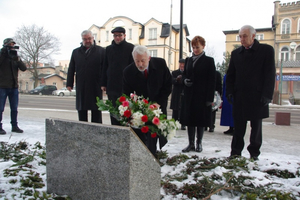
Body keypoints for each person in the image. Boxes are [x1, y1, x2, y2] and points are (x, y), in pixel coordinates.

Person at [226, 25, 275, 160]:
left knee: (256, 128)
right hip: (240, 97)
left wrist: (267, 95)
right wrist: (229, 92)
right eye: (240, 36)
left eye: (244, 36)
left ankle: (254, 154)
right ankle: (235, 153)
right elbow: (230, 75)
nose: (242, 39)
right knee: (238, 128)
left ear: (254, 36)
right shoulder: (236, 53)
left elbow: (270, 74)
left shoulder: (266, 51)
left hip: (258, 97)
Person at [123, 45, 172, 157]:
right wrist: (133, 103)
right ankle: (147, 156)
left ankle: (154, 155)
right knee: (144, 133)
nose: (140, 64)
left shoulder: (160, 64)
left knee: (156, 131)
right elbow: (126, 92)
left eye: (143, 61)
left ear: (149, 58)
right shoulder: (128, 72)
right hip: (142, 107)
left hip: (158, 104)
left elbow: (168, 85)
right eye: (137, 61)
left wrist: (158, 102)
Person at [180, 36, 216, 153]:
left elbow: (212, 80)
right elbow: (185, 74)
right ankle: (190, 143)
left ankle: (199, 142)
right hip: (189, 95)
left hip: (202, 96)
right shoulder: (189, 60)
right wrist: (185, 81)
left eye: (197, 47)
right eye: (194, 47)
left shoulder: (209, 61)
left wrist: (209, 98)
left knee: (200, 120)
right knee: (190, 120)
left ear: (203, 46)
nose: (195, 50)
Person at [67, 30, 105, 123]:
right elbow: (71, 68)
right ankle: (82, 130)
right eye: (85, 39)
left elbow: (105, 69)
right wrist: (69, 83)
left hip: (96, 85)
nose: (87, 41)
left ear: (93, 38)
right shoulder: (76, 52)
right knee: (81, 109)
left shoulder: (101, 51)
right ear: (82, 40)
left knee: (96, 110)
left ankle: (97, 130)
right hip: (81, 85)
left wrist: (104, 83)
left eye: (89, 38)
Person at [101, 27, 134, 125]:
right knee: (113, 110)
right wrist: (103, 83)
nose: (117, 38)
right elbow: (105, 67)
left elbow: (133, 67)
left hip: (125, 85)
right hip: (112, 84)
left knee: (125, 110)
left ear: (124, 35)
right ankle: (114, 128)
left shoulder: (130, 48)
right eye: (115, 36)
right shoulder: (108, 49)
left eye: (119, 35)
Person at [0, 38, 27, 134]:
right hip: (2, 86)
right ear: (6, 45)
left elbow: (24, 68)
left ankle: (14, 126)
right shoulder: (2, 55)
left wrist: (18, 59)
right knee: (0, 108)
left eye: (13, 44)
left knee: (14, 108)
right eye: (10, 44)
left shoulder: (15, 56)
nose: (12, 46)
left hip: (13, 86)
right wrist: (4, 53)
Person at [170, 59, 186, 130]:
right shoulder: (174, 72)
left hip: (184, 93)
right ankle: (174, 123)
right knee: (175, 109)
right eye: (180, 64)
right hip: (176, 93)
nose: (182, 65)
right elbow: (172, 80)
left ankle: (183, 124)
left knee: (183, 109)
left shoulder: (187, 73)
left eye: (183, 64)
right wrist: (177, 79)